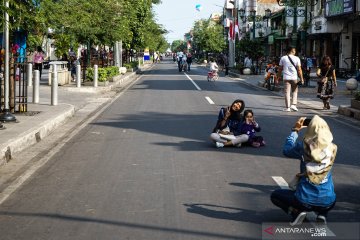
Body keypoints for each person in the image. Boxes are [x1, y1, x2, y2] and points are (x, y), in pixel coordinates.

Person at [270, 115, 337, 226]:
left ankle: (296, 212)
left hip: (304, 201)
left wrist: (295, 130)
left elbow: (286, 150)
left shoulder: (303, 147)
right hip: (329, 202)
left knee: (275, 196)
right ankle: (322, 214)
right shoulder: (333, 148)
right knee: (327, 194)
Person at [278, 46, 304, 112]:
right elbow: (299, 70)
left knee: (287, 92)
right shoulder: (297, 58)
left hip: (286, 78)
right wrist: (301, 78)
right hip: (294, 78)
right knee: (295, 91)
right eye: (294, 51)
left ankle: (288, 108)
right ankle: (294, 105)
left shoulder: (283, 58)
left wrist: (278, 77)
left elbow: (280, 69)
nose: (295, 52)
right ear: (292, 51)